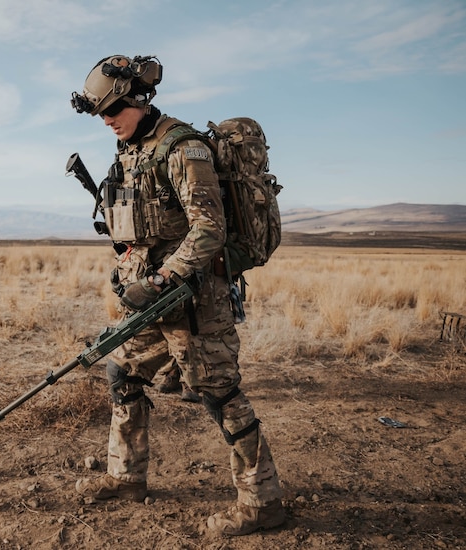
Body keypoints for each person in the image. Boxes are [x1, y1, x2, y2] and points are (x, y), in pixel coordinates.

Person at [69, 55, 284, 536]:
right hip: (149, 299)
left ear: (139, 100)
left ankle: (262, 501)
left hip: (195, 301)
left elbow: (209, 229)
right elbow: (144, 229)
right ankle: (126, 478)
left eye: (113, 110)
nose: (107, 121)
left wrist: (163, 279)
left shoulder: (184, 149)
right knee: (121, 370)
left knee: (220, 395)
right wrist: (128, 271)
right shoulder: (130, 150)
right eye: (101, 115)